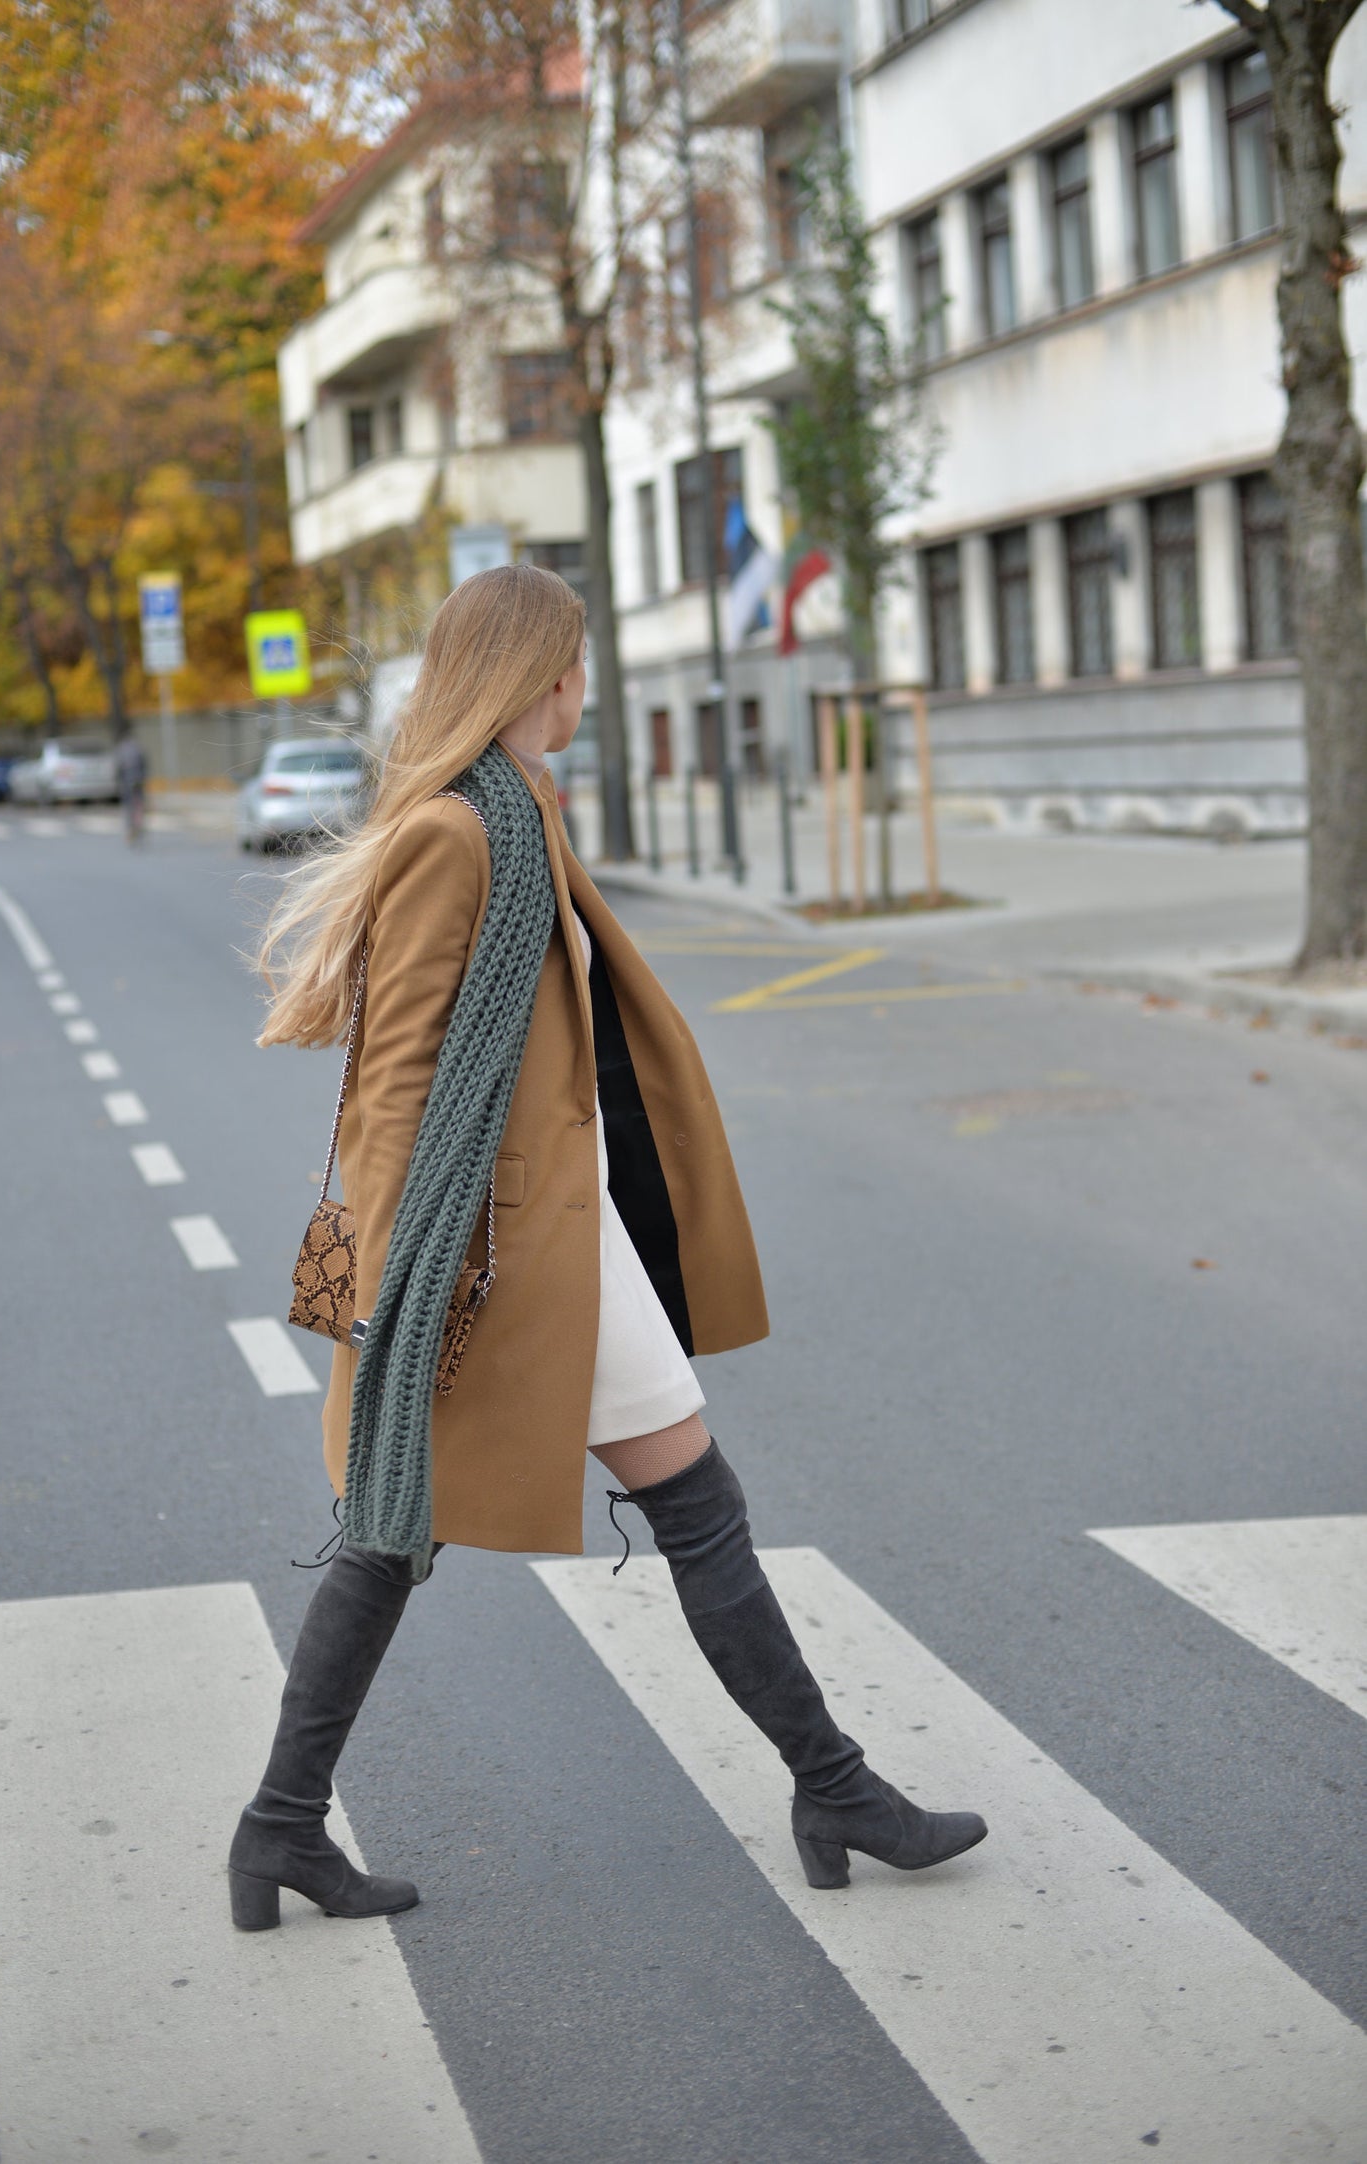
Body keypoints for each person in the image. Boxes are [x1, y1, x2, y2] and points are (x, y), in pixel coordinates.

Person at [229, 564, 986, 1932]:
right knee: (554, 1519)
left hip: (553, 1236)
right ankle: (834, 1789)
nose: (587, 688)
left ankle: (282, 1827)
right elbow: (393, 1077)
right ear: (533, 676)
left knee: (430, 1534)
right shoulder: (459, 838)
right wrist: (406, 1283)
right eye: (574, 666)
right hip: (498, 1253)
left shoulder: (520, 815)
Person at [115, 729, 147, 843]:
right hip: (139, 780)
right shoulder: (138, 747)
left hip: (127, 782)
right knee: (139, 802)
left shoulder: (121, 749)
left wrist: (118, 782)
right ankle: (139, 823)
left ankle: (130, 829)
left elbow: (118, 767)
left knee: (128, 806)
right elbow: (144, 763)